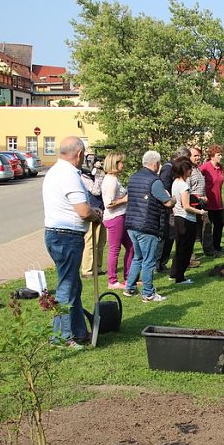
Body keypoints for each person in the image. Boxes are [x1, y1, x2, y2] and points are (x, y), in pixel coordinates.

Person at [43, 136, 103, 349]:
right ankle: (60, 337)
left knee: (73, 285)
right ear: (78, 154)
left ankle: (77, 331)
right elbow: (83, 211)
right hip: (66, 237)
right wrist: (95, 215)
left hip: (57, 234)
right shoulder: (68, 175)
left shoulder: (54, 171)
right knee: (67, 287)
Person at [124, 151, 176, 302]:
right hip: (147, 225)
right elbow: (167, 202)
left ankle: (130, 287)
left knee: (138, 257)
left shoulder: (132, 178)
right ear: (156, 164)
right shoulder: (155, 181)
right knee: (148, 260)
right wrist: (173, 198)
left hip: (132, 224)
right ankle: (148, 293)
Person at [170, 157, 208, 284]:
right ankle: (180, 277)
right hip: (186, 220)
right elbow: (186, 206)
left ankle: (174, 273)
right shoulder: (184, 185)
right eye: (190, 168)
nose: (191, 171)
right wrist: (201, 212)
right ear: (185, 170)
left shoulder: (175, 182)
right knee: (185, 249)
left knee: (179, 247)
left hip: (178, 218)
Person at [100, 151, 132, 290]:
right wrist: (125, 199)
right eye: (121, 162)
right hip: (115, 218)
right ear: (114, 164)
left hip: (121, 216)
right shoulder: (111, 181)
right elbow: (109, 203)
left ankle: (129, 277)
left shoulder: (114, 179)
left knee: (131, 247)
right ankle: (112, 281)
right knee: (115, 249)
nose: (123, 165)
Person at [157, 146, 192, 271]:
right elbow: (164, 189)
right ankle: (160, 263)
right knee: (167, 236)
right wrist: (170, 204)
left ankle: (163, 263)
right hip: (169, 208)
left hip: (175, 207)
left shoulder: (174, 168)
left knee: (171, 236)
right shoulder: (168, 169)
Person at [80, 157, 106, 278]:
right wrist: (99, 175)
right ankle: (87, 270)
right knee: (91, 241)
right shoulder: (84, 177)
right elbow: (95, 191)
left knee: (101, 241)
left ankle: (98, 267)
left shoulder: (99, 174)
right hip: (92, 212)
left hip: (102, 210)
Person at [187, 146, 213, 257]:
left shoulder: (197, 168)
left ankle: (209, 251)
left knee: (206, 227)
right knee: (191, 231)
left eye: (199, 155)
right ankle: (190, 255)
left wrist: (204, 197)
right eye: (195, 155)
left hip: (202, 203)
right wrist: (199, 197)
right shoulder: (188, 170)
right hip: (193, 204)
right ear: (189, 157)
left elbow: (200, 186)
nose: (198, 158)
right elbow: (187, 189)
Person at [200, 145, 224, 254]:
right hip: (208, 203)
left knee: (219, 225)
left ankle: (217, 246)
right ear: (212, 156)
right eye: (218, 155)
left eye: (221, 154)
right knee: (207, 227)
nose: (221, 157)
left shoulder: (220, 168)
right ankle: (209, 249)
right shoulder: (205, 167)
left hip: (218, 202)